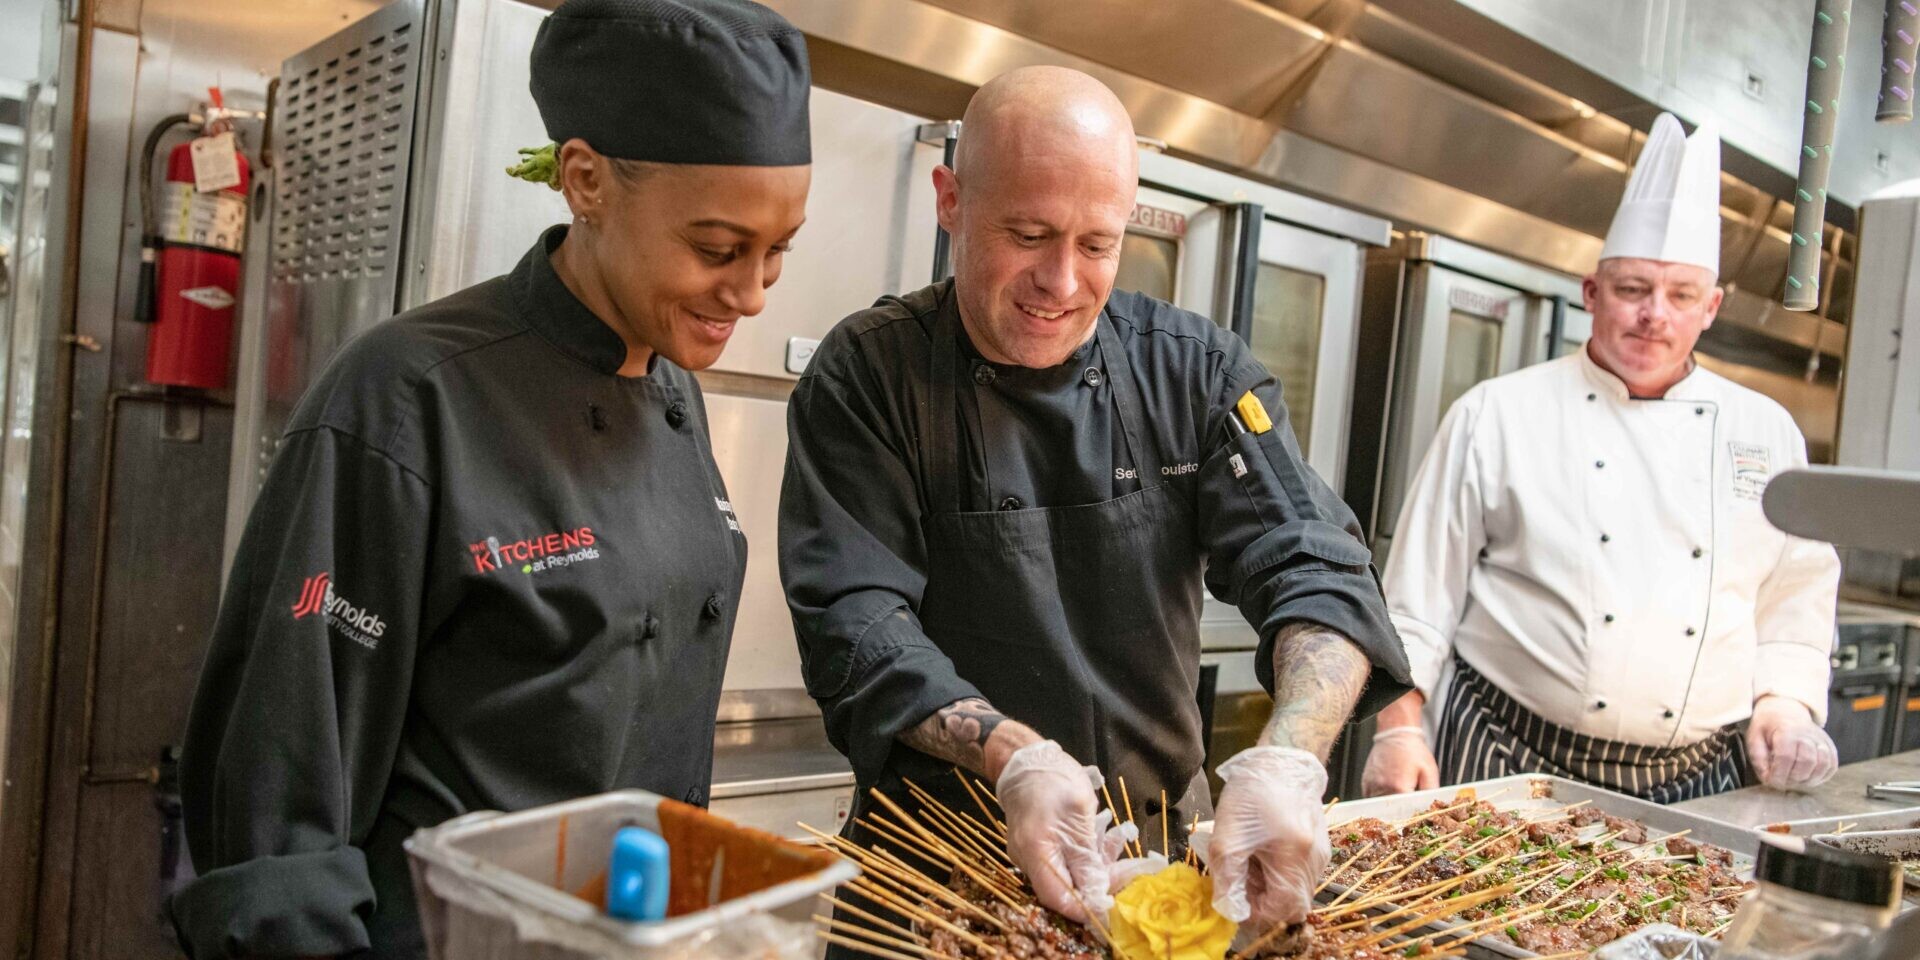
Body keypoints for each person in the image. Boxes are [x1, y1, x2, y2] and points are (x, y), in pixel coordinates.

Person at [168, 1, 811, 956]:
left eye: (778, 251)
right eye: (717, 249)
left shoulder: (673, 386)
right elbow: (279, 807)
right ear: (585, 180)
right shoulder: (405, 399)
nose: (753, 293)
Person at [779, 65, 1410, 940]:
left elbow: (1315, 566)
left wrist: (1291, 757)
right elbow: (857, 625)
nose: (1063, 281)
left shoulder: (1194, 373)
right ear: (950, 199)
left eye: (1098, 245)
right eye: (1028, 233)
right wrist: (1015, 756)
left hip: (1157, 870)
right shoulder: (868, 377)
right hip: (931, 879)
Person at [1361, 113, 1840, 804]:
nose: (1655, 316)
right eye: (1633, 289)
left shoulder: (1767, 432)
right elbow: (1417, 600)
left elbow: (1797, 593)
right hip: (1504, 743)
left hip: (1699, 772)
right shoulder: (1496, 414)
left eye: (1680, 296)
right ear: (1591, 292)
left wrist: (1785, 704)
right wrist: (1398, 730)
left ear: (1712, 308)